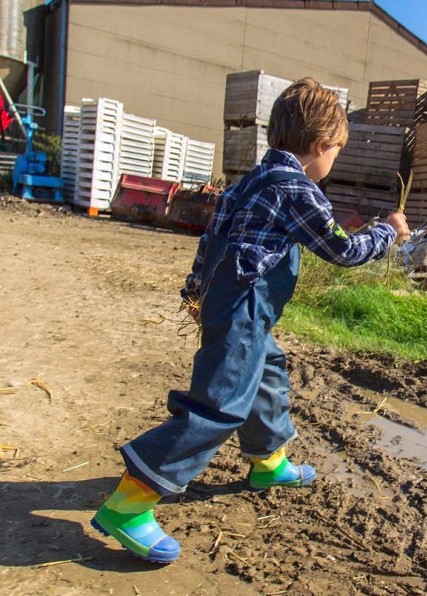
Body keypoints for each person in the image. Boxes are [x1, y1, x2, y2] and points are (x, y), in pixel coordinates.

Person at [90, 78, 410, 563]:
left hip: (230, 304)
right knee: (219, 406)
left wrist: (197, 293)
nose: (333, 163)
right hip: (242, 310)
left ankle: (268, 461)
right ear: (321, 146)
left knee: (267, 374)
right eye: (337, 153)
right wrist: (386, 232)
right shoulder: (295, 189)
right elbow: (341, 250)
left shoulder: (250, 182)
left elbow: (211, 241)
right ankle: (128, 505)